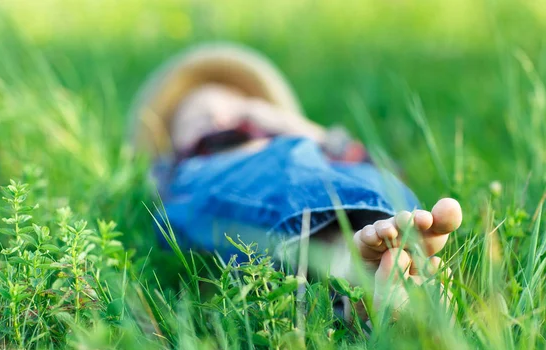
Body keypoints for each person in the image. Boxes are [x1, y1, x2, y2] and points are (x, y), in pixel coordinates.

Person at [128, 43, 463, 322]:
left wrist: (290, 125)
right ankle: (375, 269)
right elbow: (154, 192)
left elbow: (376, 163)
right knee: (277, 180)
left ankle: (373, 266)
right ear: (172, 141)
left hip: (323, 178)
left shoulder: (297, 143)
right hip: (223, 188)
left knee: (368, 179)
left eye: (236, 108)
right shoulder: (184, 167)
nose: (218, 117)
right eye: (197, 116)